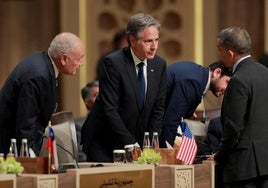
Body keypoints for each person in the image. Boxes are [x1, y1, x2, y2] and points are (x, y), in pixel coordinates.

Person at [81, 13, 167, 162]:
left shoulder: (159, 65)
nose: (154, 47)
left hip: (137, 142)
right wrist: (132, 145)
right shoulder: (113, 63)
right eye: (148, 41)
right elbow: (110, 109)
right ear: (133, 41)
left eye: (156, 40)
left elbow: (158, 108)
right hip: (105, 142)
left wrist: (151, 144)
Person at [0, 32, 85, 156]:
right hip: (9, 149)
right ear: (64, 58)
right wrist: (30, 161)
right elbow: (26, 123)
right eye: (79, 58)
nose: (81, 63)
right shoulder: (38, 75)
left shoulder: (43, 64)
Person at [210, 26, 268, 187]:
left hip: (243, 169)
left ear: (230, 53)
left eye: (220, 51)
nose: (219, 55)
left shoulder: (239, 79)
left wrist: (219, 155)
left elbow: (233, 127)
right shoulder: (265, 72)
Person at [161, 61, 232, 147]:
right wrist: (165, 153)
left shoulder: (198, 75)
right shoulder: (195, 82)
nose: (227, 89)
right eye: (227, 82)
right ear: (217, 72)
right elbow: (171, 120)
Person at [75, 80, 99, 162]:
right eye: (96, 95)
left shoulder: (116, 122)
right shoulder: (79, 126)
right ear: (87, 101)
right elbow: (82, 157)